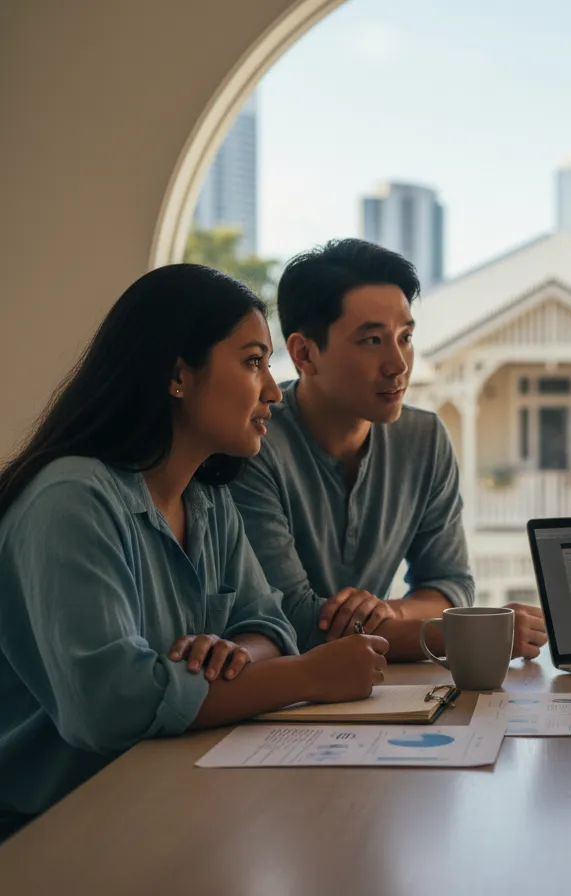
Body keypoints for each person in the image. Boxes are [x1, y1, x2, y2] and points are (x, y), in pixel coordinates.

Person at [0, 265, 390, 841]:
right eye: (253, 361)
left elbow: (269, 624)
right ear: (178, 374)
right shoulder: (72, 499)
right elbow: (107, 707)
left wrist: (232, 652)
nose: (273, 390)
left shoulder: (207, 500)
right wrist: (305, 676)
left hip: (154, 799)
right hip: (47, 828)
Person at [228, 239, 548, 659]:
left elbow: (451, 586)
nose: (398, 364)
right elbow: (294, 622)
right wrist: (469, 635)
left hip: (371, 688)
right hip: (273, 700)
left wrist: (386, 611)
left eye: (406, 336)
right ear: (304, 354)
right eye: (372, 341)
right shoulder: (254, 443)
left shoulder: (424, 438)